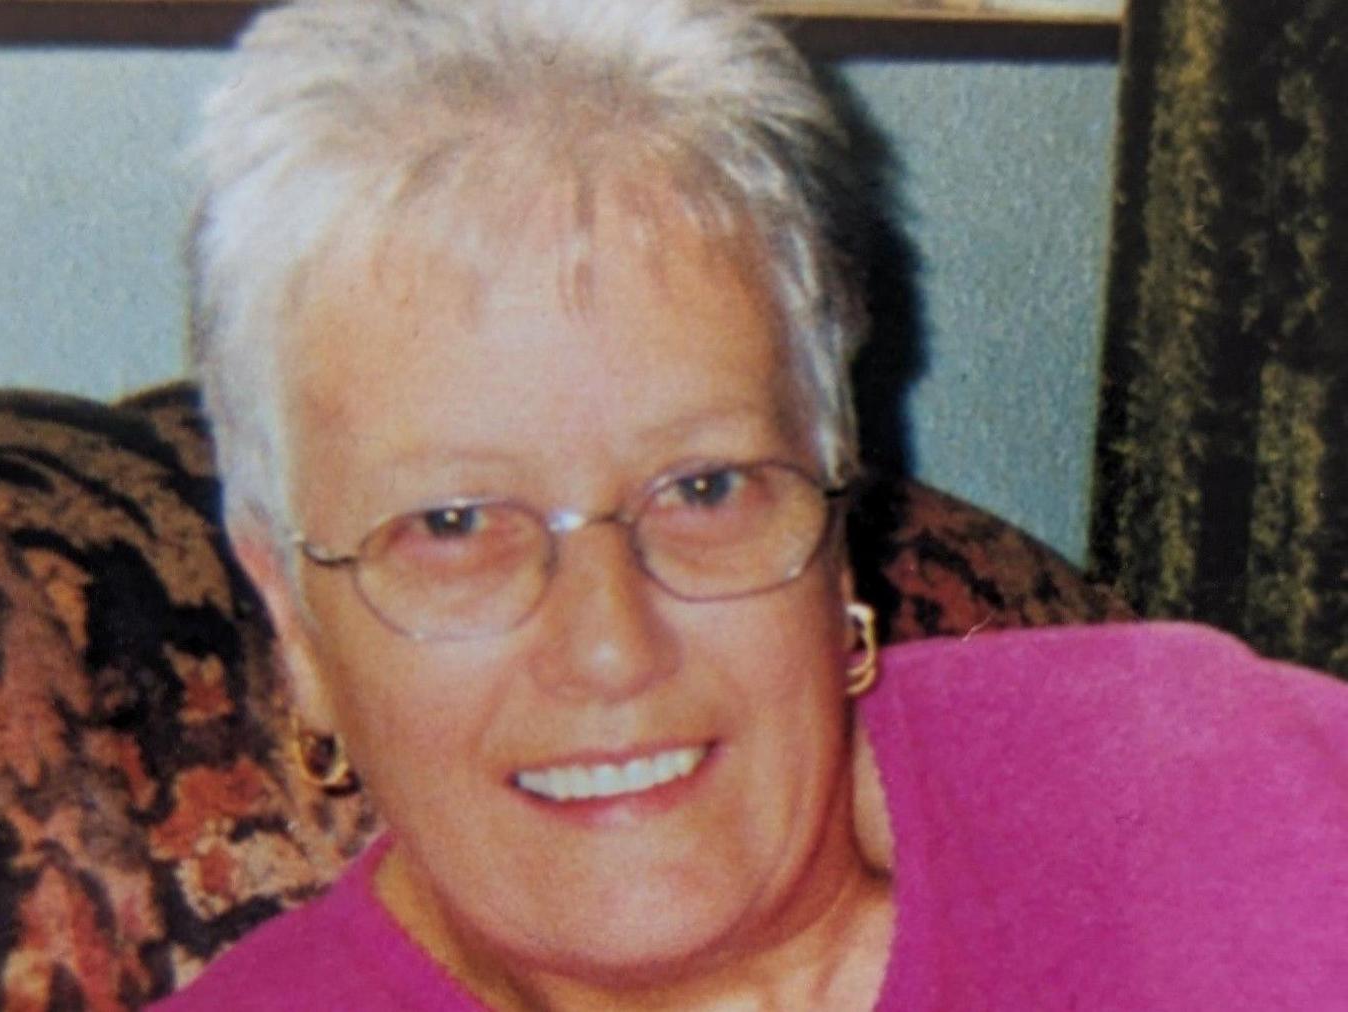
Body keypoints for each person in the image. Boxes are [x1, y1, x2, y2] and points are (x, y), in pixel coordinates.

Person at [158, 1, 1348, 1007]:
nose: (612, 648)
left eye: (704, 488)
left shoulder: (1211, 795)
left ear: (835, 525)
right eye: (455, 523)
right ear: (292, 611)